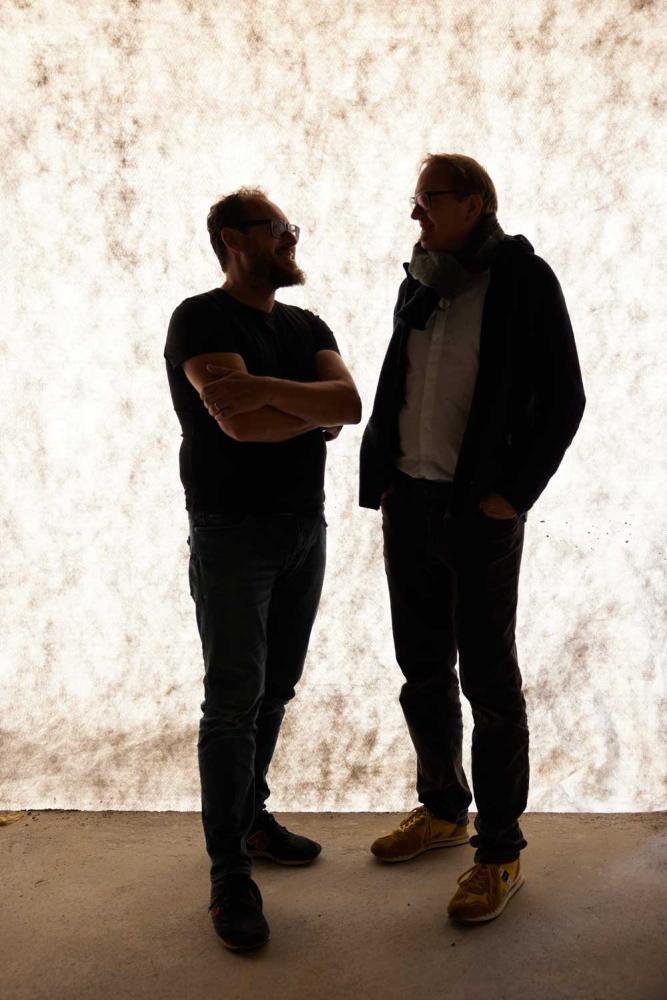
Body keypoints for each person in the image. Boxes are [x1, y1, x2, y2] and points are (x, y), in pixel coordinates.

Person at [359, 153, 586, 924]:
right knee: (421, 669)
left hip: (476, 514)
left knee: (488, 684)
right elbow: (401, 383)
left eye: (427, 199)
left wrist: (512, 496)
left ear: (474, 203)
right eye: (414, 199)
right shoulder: (420, 280)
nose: (414, 213)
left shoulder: (523, 279)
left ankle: (499, 852)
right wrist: (387, 478)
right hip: (409, 501)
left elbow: (564, 398)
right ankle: (442, 811)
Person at [164, 187, 361, 951]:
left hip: (302, 527)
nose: (290, 238)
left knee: (275, 688)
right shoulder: (200, 319)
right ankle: (229, 875)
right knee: (232, 703)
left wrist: (273, 393)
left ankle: (249, 819)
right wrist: (304, 411)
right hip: (231, 533)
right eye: (276, 229)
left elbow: (348, 404)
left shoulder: (307, 325)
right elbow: (240, 425)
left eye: (290, 227)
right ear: (232, 239)